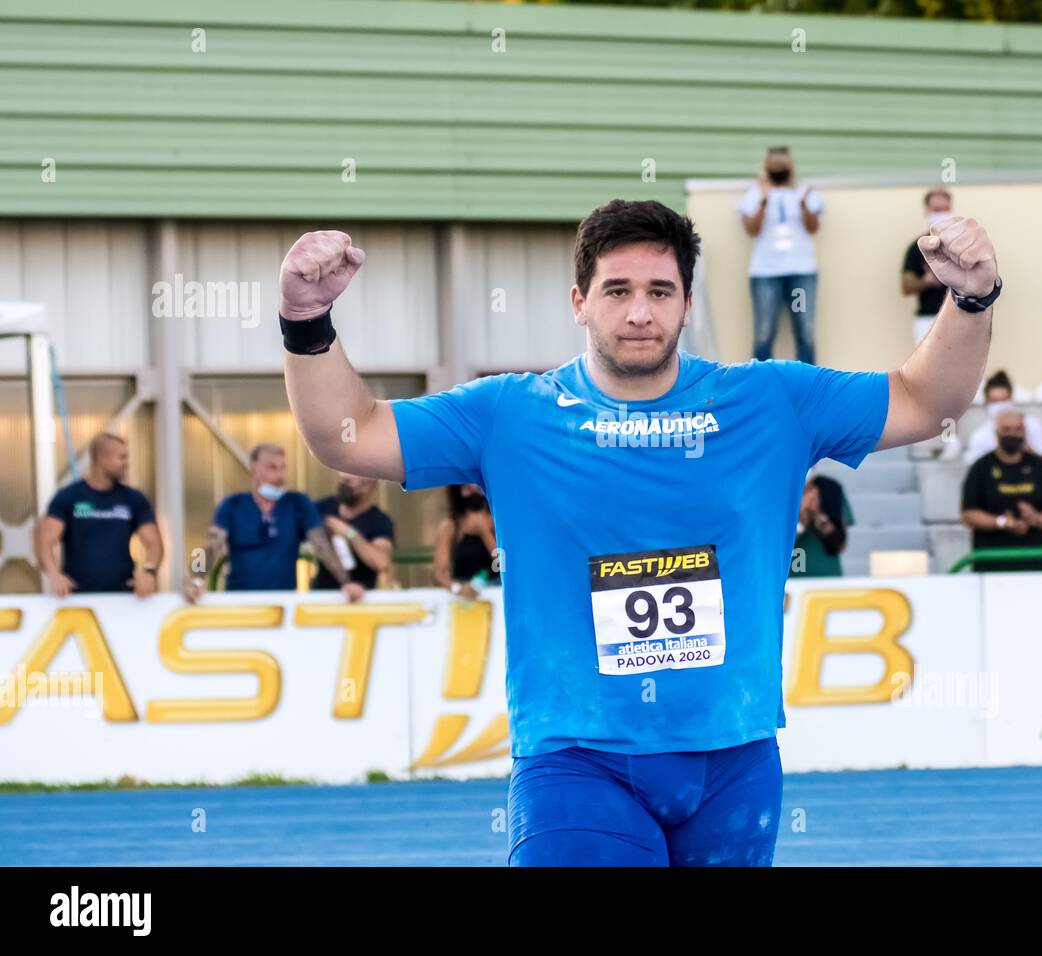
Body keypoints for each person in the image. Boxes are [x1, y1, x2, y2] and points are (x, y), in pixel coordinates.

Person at [277, 199, 999, 867]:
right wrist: (305, 320)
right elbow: (352, 436)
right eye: (617, 290)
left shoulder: (772, 400)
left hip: (735, 762)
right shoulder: (510, 414)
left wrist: (970, 300)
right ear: (579, 304)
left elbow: (924, 400)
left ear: (687, 305)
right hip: (577, 760)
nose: (639, 312)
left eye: (660, 291)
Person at [185, 443, 362, 602]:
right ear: (254, 469)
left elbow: (322, 546)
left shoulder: (298, 503)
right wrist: (195, 580)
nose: (280, 475)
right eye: (272, 468)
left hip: (283, 604)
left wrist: (346, 582)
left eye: (283, 468)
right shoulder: (232, 505)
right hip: (239, 602)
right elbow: (208, 547)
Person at [36, 433, 162, 596]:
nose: (126, 464)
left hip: (124, 598)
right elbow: (45, 541)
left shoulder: (134, 499)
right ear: (101, 459)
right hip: (77, 599)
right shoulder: (68, 497)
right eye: (122, 457)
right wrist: (54, 575)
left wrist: (148, 571)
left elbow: (154, 543)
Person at [737, 146, 825, 365]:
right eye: (774, 164)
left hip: (801, 271)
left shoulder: (804, 193)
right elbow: (751, 229)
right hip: (766, 273)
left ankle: (807, 389)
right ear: (766, 167)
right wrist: (764, 200)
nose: (778, 168)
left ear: (791, 166)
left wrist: (804, 204)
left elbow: (813, 227)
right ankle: (760, 389)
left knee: (804, 331)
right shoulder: (754, 195)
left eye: (782, 164)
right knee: (764, 332)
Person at [960, 407, 1042, 572]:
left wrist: (1037, 519)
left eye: (1018, 429)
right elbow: (968, 515)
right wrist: (1002, 522)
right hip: (991, 564)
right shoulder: (980, 467)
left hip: (1034, 563)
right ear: (996, 433)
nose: (1013, 434)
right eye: (1007, 429)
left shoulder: (1039, 466)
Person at [312, 472, 394, 591]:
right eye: (344, 479)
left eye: (350, 480)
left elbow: (381, 562)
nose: (345, 477)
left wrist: (349, 533)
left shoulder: (379, 521)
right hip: (323, 597)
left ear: (369, 484)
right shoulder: (324, 508)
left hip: (360, 600)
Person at [901, 187, 954, 344]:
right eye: (937, 209)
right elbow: (906, 286)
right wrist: (927, 280)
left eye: (945, 209)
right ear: (927, 211)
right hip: (928, 320)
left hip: (959, 317)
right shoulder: (917, 248)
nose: (942, 213)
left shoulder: (960, 246)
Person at [963, 370, 1042, 463]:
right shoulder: (979, 436)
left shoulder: (1032, 425)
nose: (1000, 406)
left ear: (1011, 398)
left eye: (1003, 400)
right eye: (994, 401)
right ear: (987, 402)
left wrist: (1024, 445)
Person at [433, 483, 499, 600]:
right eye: (466, 488)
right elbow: (439, 574)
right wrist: (458, 588)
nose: (473, 490)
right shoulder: (450, 526)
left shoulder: (497, 523)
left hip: (495, 592)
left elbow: (503, 565)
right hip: (463, 592)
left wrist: (484, 532)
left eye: (478, 488)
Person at [789, 475, 852, 578]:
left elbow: (841, 544)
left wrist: (822, 522)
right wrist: (801, 521)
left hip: (827, 577)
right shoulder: (784, 493)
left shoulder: (830, 488)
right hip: (793, 579)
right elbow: (776, 545)